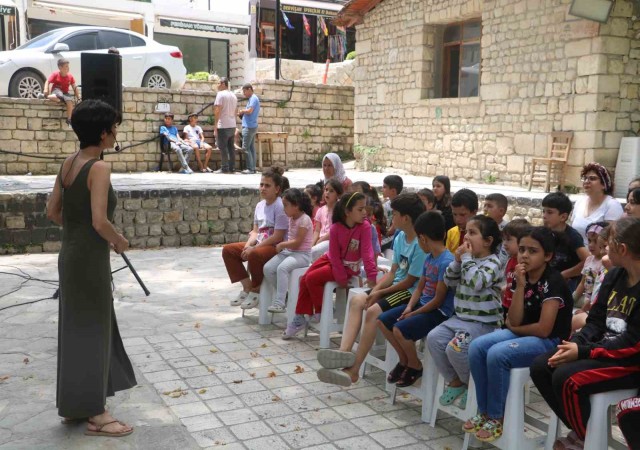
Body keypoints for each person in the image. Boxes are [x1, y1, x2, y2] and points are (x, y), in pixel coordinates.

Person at [46, 99, 135, 437]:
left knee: (75, 328)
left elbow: (53, 212)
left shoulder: (68, 163)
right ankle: (96, 413)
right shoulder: (98, 168)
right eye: (113, 128)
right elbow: (101, 221)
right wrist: (118, 239)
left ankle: (75, 406)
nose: (115, 133)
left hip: (70, 254)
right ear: (103, 132)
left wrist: (78, 229)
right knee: (94, 328)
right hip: (90, 258)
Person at [530, 217, 640, 450]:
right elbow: (595, 321)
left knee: (567, 378)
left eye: (608, 242)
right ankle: (584, 430)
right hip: (603, 350)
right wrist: (575, 343)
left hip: (629, 362)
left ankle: (585, 437)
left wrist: (583, 351)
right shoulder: (614, 276)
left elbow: (633, 343)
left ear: (622, 249)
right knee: (542, 366)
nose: (605, 247)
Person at [464, 227, 573, 443]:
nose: (524, 255)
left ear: (548, 256)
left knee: (497, 354)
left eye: (533, 251)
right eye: (522, 249)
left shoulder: (554, 281)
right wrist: (520, 286)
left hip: (550, 341)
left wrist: (515, 329)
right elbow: (513, 319)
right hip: (523, 334)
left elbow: (543, 329)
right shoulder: (519, 276)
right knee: (477, 347)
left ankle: (497, 416)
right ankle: (485, 411)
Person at [316, 194, 427, 386]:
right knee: (357, 300)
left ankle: (353, 370)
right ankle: (344, 352)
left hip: (410, 293)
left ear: (406, 218)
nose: (392, 219)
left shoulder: (419, 243)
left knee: (374, 310)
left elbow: (409, 282)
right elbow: (393, 272)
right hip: (394, 286)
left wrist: (379, 293)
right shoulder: (400, 236)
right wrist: (376, 288)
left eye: (396, 214)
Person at [426, 215, 503, 409]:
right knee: (434, 339)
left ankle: (474, 383)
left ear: (488, 241)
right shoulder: (467, 261)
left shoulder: (493, 263)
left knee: (455, 348)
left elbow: (477, 283)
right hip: (460, 318)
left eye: (472, 233)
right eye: (466, 232)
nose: (466, 237)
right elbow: (449, 280)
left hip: (483, 323)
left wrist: (466, 259)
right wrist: (457, 261)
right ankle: (456, 381)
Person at [282, 191, 377, 339]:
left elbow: (367, 253)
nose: (364, 212)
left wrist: (371, 276)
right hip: (332, 260)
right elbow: (334, 255)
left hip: (348, 268)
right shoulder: (336, 228)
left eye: (364, 208)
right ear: (347, 211)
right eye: (360, 209)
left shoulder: (364, 227)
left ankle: (320, 311)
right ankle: (301, 315)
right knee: (305, 278)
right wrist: (339, 276)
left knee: (312, 278)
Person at [377, 211, 455, 387]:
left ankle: (415, 365)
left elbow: (438, 300)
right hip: (421, 304)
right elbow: (420, 287)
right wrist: (409, 307)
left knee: (399, 329)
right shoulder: (429, 258)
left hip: (438, 312)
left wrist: (414, 314)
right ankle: (405, 360)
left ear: (423, 238)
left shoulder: (446, 262)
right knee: (382, 320)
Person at [222, 167, 289, 309]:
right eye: (261, 184)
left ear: (277, 189)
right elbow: (255, 231)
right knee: (229, 251)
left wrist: (254, 248)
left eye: (267, 185)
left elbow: (278, 236)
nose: (263, 188)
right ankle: (247, 287)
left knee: (255, 254)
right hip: (259, 243)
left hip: (275, 247)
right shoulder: (259, 206)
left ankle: (256, 289)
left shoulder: (280, 206)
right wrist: (248, 245)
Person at [264, 188, 314, 313]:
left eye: (285, 205)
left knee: (282, 268)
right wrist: (284, 247)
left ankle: (279, 303)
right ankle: (285, 295)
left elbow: (298, 243)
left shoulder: (304, 220)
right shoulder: (291, 217)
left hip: (302, 255)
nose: (283, 209)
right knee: (268, 268)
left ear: (296, 206)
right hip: (290, 252)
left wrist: (282, 245)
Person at [542, 192, 589, 290]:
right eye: (544, 211)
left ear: (563, 217)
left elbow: (588, 260)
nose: (544, 216)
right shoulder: (543, 233)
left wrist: (564, 274)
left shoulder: (572, 236)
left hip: (567, 282)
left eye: (549, 212)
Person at [570, 162, 623, 245]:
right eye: (585, 178)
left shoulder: (612, 205)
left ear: (604, 185)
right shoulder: (580, 202)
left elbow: (611, 237)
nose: (587, 181)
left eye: (592, 178)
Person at [571, 222, 608, 332]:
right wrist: (571, 300)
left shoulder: (605, 263)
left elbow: (598, 295)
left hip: (594, 304)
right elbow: (583, 283)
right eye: (589, 241)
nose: (591, 245)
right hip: (586, 299)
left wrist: (583, 310)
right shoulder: (589, 260)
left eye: (595, 241)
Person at [500, 219, 531, 318]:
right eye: (503, 239)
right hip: (506, 304)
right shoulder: (510, 260)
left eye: (508, 239)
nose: (504, 243)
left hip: (518, 307)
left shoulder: (524, 263)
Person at [40, 58, 79, 127]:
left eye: (68, 66)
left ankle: (69, 119)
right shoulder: (55, 74)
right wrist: (46, 89)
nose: (68, 68)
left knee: (69, 102)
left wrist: (78, 96)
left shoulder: (70, 76)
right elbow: (47, 81)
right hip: (56, 90)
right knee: (59, 96)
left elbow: (74, 87)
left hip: (65, 93)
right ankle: (45, 95)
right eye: (66, 66)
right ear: (60, 67)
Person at [311, 178, 343, 261]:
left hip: (332, 241)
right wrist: (313, 243)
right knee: (311, 250)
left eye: (331, 191)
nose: (327, 193)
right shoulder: (321, 210)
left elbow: (334, 231)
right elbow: (317, 230)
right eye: (326, 190)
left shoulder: (340, 210)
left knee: (314, 252)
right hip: (321, 241)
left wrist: (320, 241)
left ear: (338, 195)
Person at [213, 77, 238, 174]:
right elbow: (236, 111)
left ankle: (224, 168)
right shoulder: (233, 95)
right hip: (232, 124)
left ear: (223, 84)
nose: (217, 85)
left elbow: (217, 110)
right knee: (231, 147)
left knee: (223, 147)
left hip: (223, 125)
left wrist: (215, 125)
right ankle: (232, 168)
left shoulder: (220, 94)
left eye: (219, 83)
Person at [446, 188, 479, 253]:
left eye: (462, 215)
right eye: (454, 214)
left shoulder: (480, 236)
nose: (457, 219)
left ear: (474, 212)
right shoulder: (451, 232)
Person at [238, 83, 260, 174]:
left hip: (249, 126)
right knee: (251, 148)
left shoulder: (253, 98)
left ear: (249, 89)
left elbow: (250, 111)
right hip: (252, 126)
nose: (244, 93)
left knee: (245, 148)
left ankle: (250, 169)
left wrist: (242, 111)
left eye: (244, 91)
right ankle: (253, 168)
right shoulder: (253, 98)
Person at [381, 175, 403, 252]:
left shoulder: (402, 204)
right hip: (387, 235)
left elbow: (392, 229)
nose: (382, 189)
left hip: (396, 235)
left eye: (384, 187)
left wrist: (387, 232)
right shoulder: (386, 205)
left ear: (393, 191)